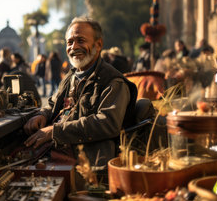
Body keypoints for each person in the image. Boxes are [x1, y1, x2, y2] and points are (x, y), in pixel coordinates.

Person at [23, 17, 137, 177]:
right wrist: (43, 114)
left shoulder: (113, 81)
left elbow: (107, 123)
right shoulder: (71, 76)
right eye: (70, 42)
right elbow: (52, 103)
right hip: (56, 148)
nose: (74, 47)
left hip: (87, 162)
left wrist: (54, 132)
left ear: (98, 45)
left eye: (81, 41)